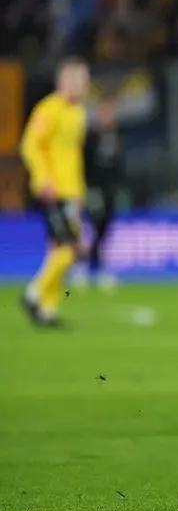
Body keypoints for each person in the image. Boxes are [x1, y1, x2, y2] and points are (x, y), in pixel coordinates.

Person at [20, 57, 91, 327]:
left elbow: (74, 156)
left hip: (71, 191)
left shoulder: (78, 112)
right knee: (69, 248)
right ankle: (34, 293)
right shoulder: (49, 109)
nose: (81, 85)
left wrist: (80, 190)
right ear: (63, 82)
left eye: (84, 80)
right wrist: (43, 179)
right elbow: (30, 145)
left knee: (59, 251)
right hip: (54, 189)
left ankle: (46, 309)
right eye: (77, 80)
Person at [78, 93, 123, 291]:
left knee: (105, 227)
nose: (108, 116)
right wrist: (87, 187)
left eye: (110, 112)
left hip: (110, 189)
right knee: (92, 225)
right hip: (94, 188)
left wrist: (120, 185)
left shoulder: (116, 136)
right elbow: (84, 162)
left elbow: (119, 164)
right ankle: (84, 266)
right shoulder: (91, 136)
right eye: (105, 112)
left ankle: (98, 266)